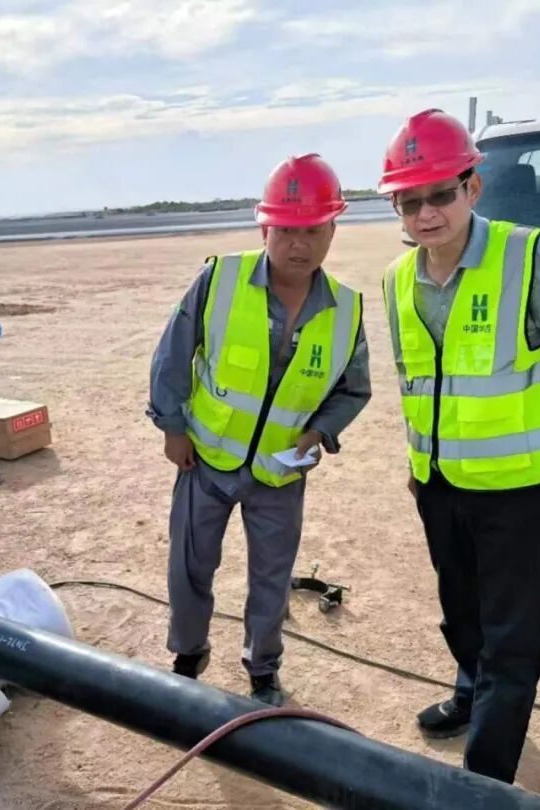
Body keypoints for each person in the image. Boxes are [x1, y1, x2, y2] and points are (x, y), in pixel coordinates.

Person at [377, 109, 540, 784]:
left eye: (440, 195)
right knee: (462, 614)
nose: (426, 214)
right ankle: (469, 690)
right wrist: (419, 461)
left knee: (512, 640)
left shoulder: (529, 256)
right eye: (409, 201)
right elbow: (414, 379)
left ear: (473, 188)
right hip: (441, 485)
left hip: (522, 489)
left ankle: (483, 783)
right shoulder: (398, 279)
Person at [147, 154, 372, 706]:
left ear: (332, 230)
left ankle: (263, 668)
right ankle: (188, 653)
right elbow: (173, 355)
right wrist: (172, 428)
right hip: (205, 460)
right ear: (264, 229)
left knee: (272, 578)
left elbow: (353, 389)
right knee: (190, 566)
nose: (300, 244)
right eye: (287, 230)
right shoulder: (219, 280)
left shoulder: (346, 310)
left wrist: (319, 434)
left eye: (313, 231)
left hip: (279, 473)